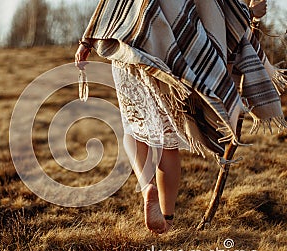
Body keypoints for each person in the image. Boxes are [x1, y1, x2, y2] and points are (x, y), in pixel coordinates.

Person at [75, 0, 285, 234]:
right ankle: (167, 220)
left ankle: (147, 187)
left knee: (132, 127)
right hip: (166, 55)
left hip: (128, 50)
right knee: (167, 141)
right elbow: (217, 8)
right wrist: (249, 12)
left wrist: (86, 40)